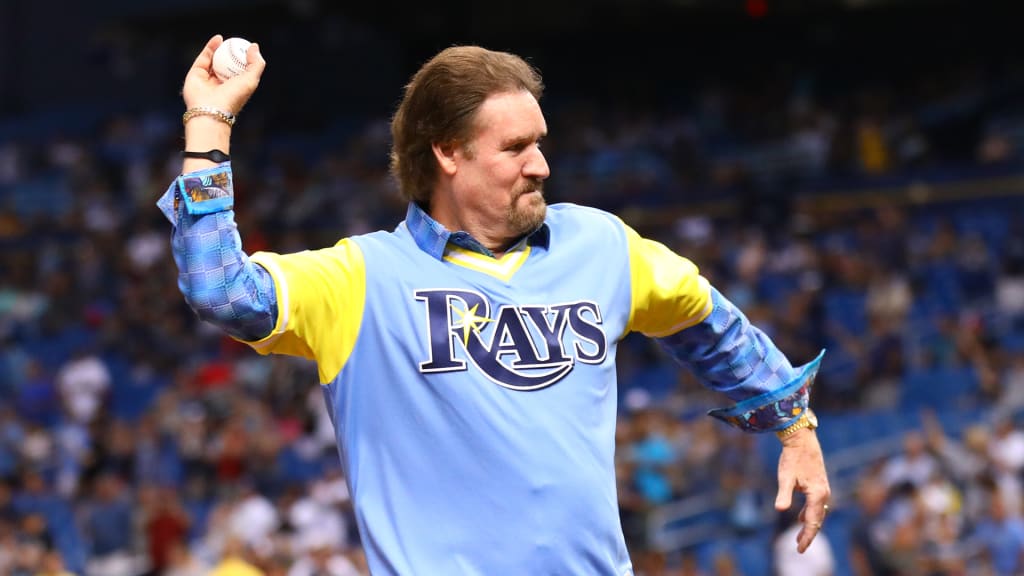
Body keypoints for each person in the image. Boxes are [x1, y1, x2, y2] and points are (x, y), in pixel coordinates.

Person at [158, 35, 831, 575]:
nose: (540, 164)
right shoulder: (362, 277)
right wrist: (208, 125)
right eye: (515, 148)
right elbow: (222, 291)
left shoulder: (599, 245)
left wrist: (794, 427)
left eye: (540, 143)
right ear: (447, 152)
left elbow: (706, 321)